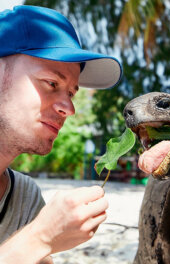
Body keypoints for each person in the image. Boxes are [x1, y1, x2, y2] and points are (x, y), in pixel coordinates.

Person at [0, 5, 122, 263]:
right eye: (52, 83)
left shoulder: (24, 197)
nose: (69, 108)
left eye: (71, 93)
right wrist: (39, 238)